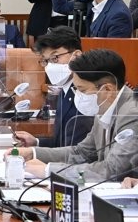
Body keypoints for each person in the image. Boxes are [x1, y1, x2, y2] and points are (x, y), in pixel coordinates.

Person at [13, 49, 138, 183]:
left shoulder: (132, 114)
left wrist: (49, 170)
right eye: (76, 89)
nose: (77, 94)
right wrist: (33, 153)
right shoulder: (104, 105)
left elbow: (112, 171)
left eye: (82, 90)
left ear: (107, 89)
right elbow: (81, 153)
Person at [12, 27, 94, 149]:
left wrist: (36, 155)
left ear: (76, 55)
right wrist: (36, 142)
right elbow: (61, 142)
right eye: (46, 61)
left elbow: (79, 150)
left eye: (55, 58)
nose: (50, 65)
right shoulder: (64, 90)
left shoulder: (85, 93)